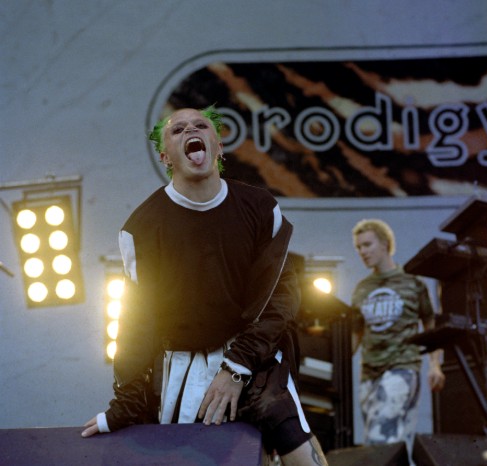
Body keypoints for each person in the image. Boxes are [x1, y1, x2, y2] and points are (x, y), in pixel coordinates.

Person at [82, 106, 328, 466]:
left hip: (251, 358)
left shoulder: (260, 208)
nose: (190, 130)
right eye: (177, 129)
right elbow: (138, 321)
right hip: (181, 363)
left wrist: (235, 368)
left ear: (218, 145)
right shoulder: (142, 227)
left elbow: (281, 299)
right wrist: (124, 406)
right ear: (166, 156)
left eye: (200, 126)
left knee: (297, 446)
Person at [350, 219, 445, 455]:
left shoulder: (413, 282)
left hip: (402, 368)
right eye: (359, 247)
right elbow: (355, 333)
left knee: (378, 440)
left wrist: (435, 365)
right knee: (394, 445)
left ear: (384, 244)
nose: (363, 251)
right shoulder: (362, 288)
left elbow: (430, 323)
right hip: (369, 374)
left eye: (367, 244)